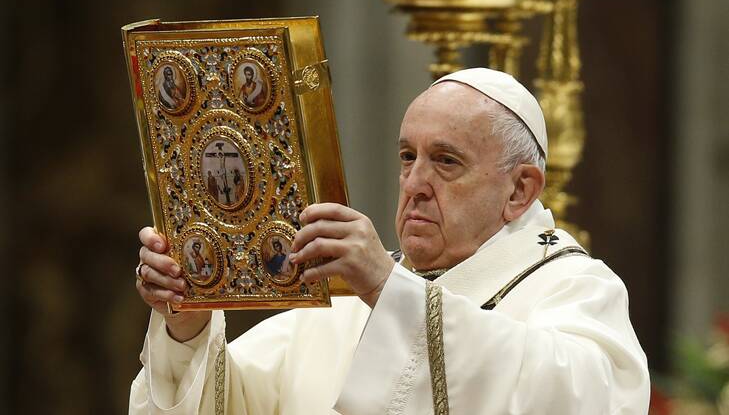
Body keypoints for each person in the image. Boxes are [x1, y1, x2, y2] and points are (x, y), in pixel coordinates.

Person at [131, 68, 650, 414]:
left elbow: (578, 397)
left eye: (446, 161)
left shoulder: (573, 288)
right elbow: (233, 400)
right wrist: (189, 326)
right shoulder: (338, 308)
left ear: (520, 190)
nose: (415, 183)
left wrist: (388, 289)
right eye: (408, 157)